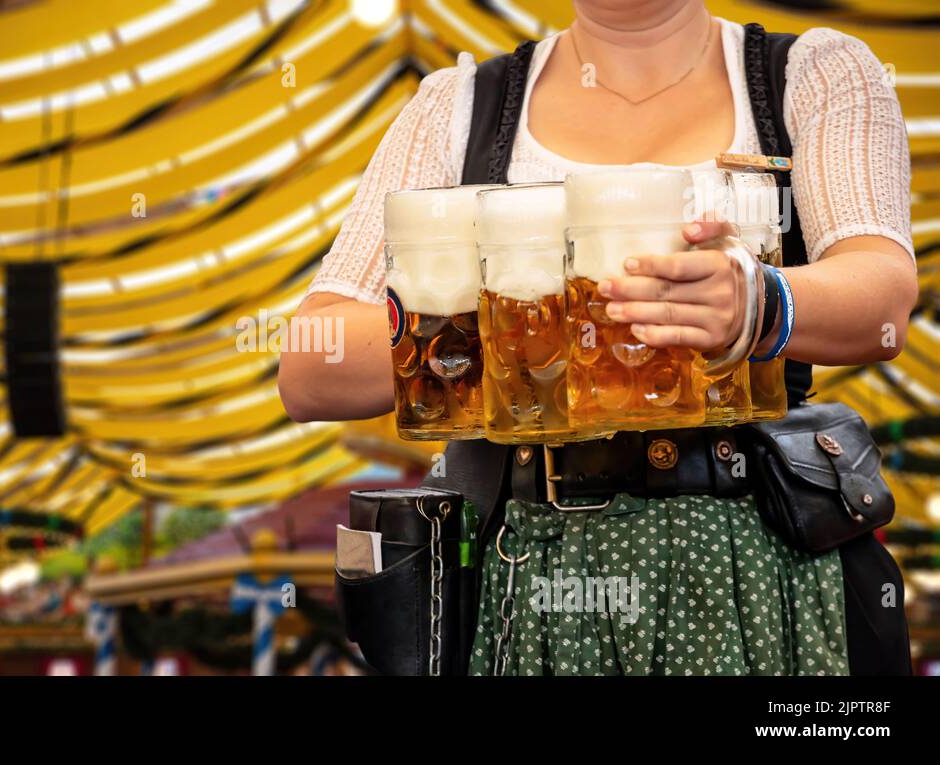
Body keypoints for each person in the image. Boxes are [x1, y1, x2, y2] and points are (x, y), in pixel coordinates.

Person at [278, 0, 916, 675]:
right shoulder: (458, 106)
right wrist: (503, 332)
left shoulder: (812, 73)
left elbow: (882, 297)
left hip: (747, 565)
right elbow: (310, 366)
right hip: (523, 575)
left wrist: (760, 300)